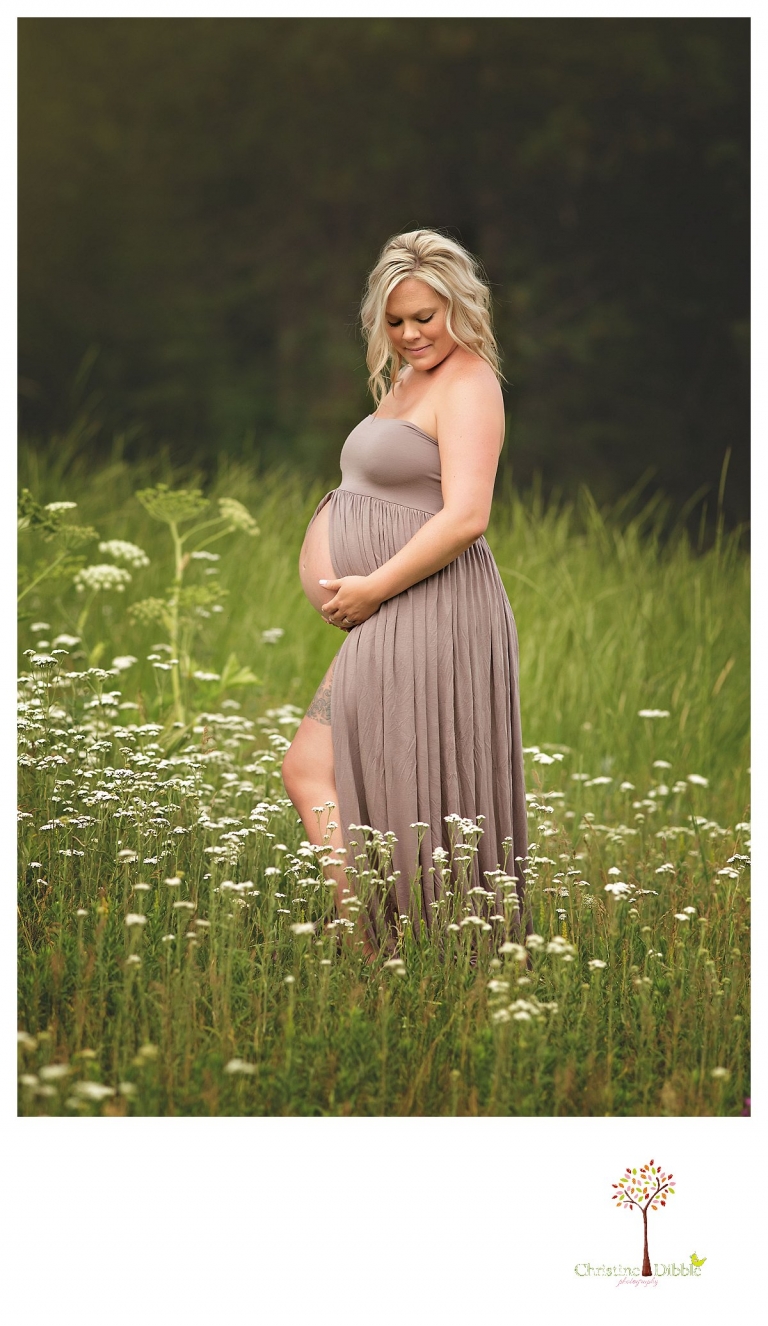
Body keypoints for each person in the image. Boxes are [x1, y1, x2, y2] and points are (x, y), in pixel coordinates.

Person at [283, 228, 529, 959]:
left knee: (311, 766)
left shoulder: (470, 382)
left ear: (460, 306)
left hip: (424, 602)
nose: (412, 332)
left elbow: (467, 516)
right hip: (390, 606)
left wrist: (371, 589)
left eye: (426, 316)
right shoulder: (406, 380)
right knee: (371, 772)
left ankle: (378, 947)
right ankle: (404, 946)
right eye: (396, 320)